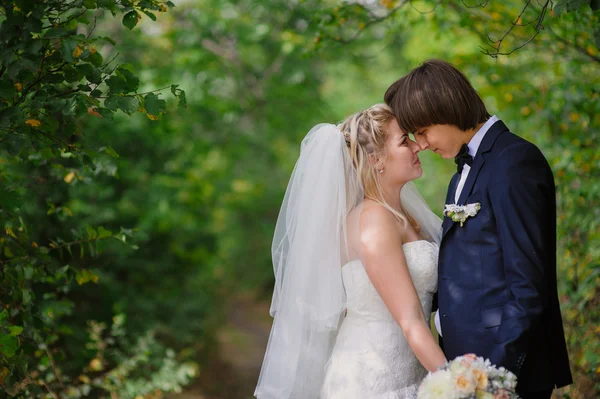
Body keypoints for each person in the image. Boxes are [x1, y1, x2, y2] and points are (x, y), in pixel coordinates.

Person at [384, 59, 573, 399]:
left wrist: (497, 376)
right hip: (466, 367)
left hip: (504, 372)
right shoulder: (463, 172)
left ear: (444, 108)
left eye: (423, 131)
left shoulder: (514, 162)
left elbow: (527, 284)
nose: (422, 144)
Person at [254, 104, 446, 399]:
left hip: (409, 372)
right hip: (373, 381)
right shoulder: (374, 221)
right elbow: (410, 321)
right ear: (376, 159)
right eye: (404, 141)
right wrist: (461, 385)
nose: (417, 146)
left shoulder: (401, 213)